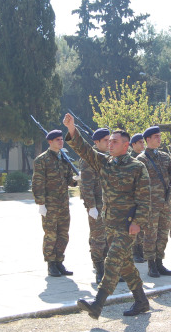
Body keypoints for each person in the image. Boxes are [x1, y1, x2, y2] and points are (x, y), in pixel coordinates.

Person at [63, 113, 151, 319]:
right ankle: (141, 301)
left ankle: (97, 304)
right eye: (109, 141)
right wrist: (71, 130)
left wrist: (138, 222)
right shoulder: (106, 163)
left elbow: (145, 199)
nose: (110, 145)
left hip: (127, 225)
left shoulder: (137, 167)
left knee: (111, 261)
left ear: (126, 144)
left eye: (115, 142)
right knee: (126, 264)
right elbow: (84, 150)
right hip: (109, 223)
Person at [32, 129, 77, 277]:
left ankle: (59, 261)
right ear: (50, 142)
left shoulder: (64, 158)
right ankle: (51, 263)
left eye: (61, 139)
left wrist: (78, 179)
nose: (60, 141)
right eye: (57, 139)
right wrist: (41, 204)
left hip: (63, 204)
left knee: (63, 234)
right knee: (51, 234)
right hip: (50, 205)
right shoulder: (41, 160)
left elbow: (69, 180)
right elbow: (38, 183)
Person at [137, 126, 171, 278]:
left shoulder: (165, 156)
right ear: (147, 140)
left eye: (160, 136)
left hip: (165, 203)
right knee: (150, 235)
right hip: (150, 205)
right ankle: (151, 263)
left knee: (163, 234)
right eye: (156, 137)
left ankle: (160, 262)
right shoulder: (141, 159)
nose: (159, 139)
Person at [79, 128, 110, 284]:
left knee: (111, 238)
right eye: (105, 140)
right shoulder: (89, 158)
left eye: (109, 139)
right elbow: (86, 185)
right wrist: (91, 206)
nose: (109, 142)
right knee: (98, 238)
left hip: (112, 205)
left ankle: (110, 270)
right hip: (97, 205)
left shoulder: (112, 156)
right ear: (96, 142)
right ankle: (99, 269)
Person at [129, 133, 146, 262]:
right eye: (140, 142)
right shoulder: (130, 159)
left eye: (143, 142)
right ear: (133, 144)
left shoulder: (144, 158)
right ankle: (135, 252)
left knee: (142, 226)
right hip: (133, 198)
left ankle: (141, 251)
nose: (142, 144)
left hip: (142, 197)